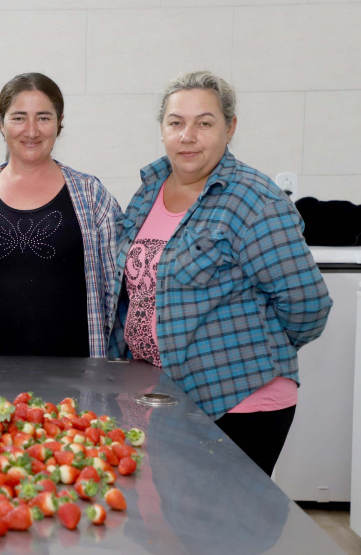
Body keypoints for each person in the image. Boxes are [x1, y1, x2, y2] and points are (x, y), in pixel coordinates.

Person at [108, 70, 332, 475]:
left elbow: (308, 305)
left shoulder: (253, 199)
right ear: (162, 130)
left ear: (229, 128)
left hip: (238, 401)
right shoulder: (147, 191)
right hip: (162, 398)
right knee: (174, 528)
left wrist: (245, 355)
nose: (187, 135)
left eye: (204, 123)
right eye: (176, 123)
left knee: (225, 534)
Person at [0, 73, 120, 357]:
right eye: (19, 118)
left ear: (60, 122)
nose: (32, 131)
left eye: (44, 118)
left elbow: (117, 291)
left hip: (78, 383)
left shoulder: (92, 196)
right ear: (0, 123)